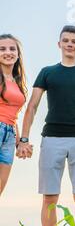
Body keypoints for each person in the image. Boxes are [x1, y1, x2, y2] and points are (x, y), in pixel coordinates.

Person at [17, 25, 75, 226]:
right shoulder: (47, 72)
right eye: (66, 40)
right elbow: (32, 106)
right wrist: (24, 138)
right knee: (49, 198)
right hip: (51, 139)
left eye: (74, 41)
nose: (70, 44)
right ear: (59, 44)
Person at [0, 34, 27, 195]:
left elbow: (13, 115)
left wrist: (20, 143)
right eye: (2, 49)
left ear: (17, 54)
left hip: (10, 135)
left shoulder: (17, 81)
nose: (8, 52)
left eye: (12, 48)